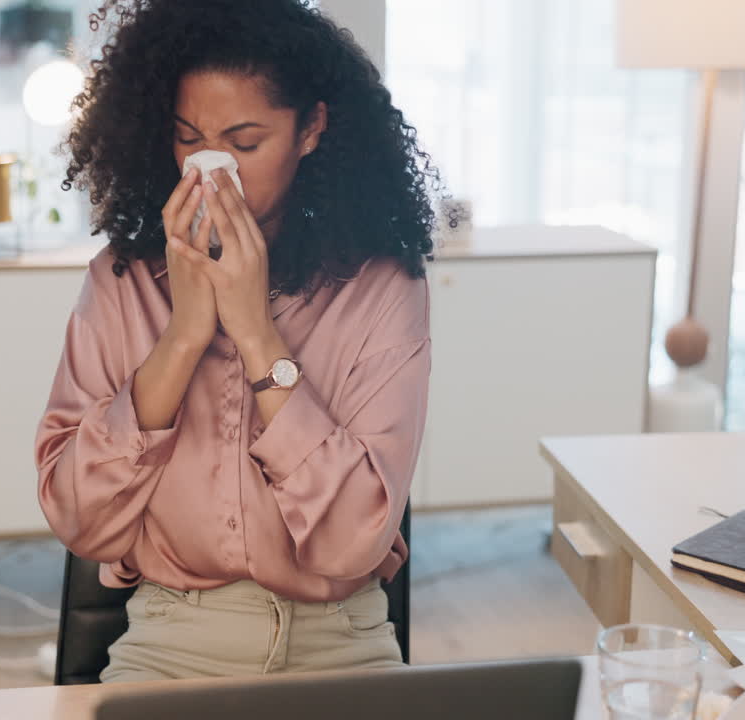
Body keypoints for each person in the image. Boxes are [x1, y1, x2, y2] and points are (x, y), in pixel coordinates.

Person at [35, 0, 450, 683]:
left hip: (343, 644)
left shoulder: (382, 288)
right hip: (171, 643)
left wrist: (257, 334)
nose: (209, 172)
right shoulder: (121, 283)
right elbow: (80, 520)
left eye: (244, 143)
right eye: (188, 138)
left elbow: (353, 538)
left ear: (311, 129)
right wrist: (183, 337)